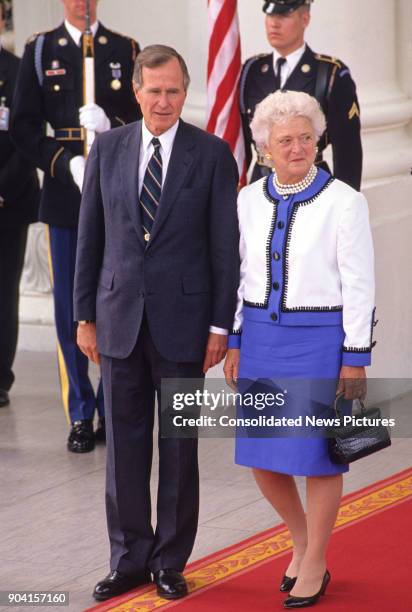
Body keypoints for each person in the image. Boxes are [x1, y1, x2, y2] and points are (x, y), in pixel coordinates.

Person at [73, 45, 239, 601]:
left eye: (173, 90)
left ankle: (170, 561)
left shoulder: (213, 155)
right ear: (136, 92)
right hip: (117, 320)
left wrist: (220, 327)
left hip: (186, 326)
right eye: (154, 90)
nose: (163, 100)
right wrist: (83, 317)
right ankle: (128, 559)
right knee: (123, 449)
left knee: (178, 447)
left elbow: (224, 250)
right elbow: (89, 241)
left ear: (184, 92)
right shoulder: (109, 149)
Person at [224, 90, 375, 608]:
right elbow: (243, 275)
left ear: (318, 140)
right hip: (263, 342)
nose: (297, 148)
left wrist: (355, 357)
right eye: (284, 140)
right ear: (264, 147)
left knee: (318, 458)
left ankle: (315, 562)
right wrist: (236, 340)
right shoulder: (247, 198)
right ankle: (301, 537)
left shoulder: (345, 201)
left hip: (321, 344)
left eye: (305, 138)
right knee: (264, 459)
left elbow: (360, 284)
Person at [10, 0, 141, 452]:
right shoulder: (41, 50)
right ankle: (80, 411)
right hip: (65, 193)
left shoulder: (124, 48)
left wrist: (111, 127)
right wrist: (63, 163)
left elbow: (142, 119)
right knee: (71, 305)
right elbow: (24, 128)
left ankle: (111, 405)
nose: (81, 2)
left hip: (113, 190)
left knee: (114, 299)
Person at [240, 0, 362, 190]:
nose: (274, 23)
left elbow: (348, 152)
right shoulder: (252, 69)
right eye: (270, 15)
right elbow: (241, 141)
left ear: (305, 18)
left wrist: (345, 202)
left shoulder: (329, 73)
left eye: (283, 15)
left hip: (312, 184)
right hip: (262, 184)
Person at [0, 0, 39, 408]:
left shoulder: (17, 70)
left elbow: (27, 136)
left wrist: (3, 189)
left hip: (7, 201)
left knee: (2, 292)